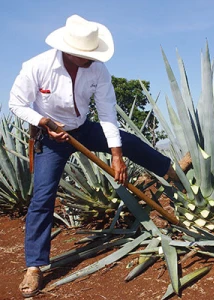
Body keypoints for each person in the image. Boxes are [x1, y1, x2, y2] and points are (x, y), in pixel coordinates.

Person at [9, 14, 178, 298]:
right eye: (87, 54)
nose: (92, 58)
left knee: (129, 141)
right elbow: (17, 103)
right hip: (51, 139)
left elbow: (108, 113)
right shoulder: (37, 67)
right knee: (42, 197)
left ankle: (171, 172)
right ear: (70, 50)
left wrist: (117, 155)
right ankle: (35, 266)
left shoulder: (97, 70)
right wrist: (45, 124)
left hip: (83, 130)